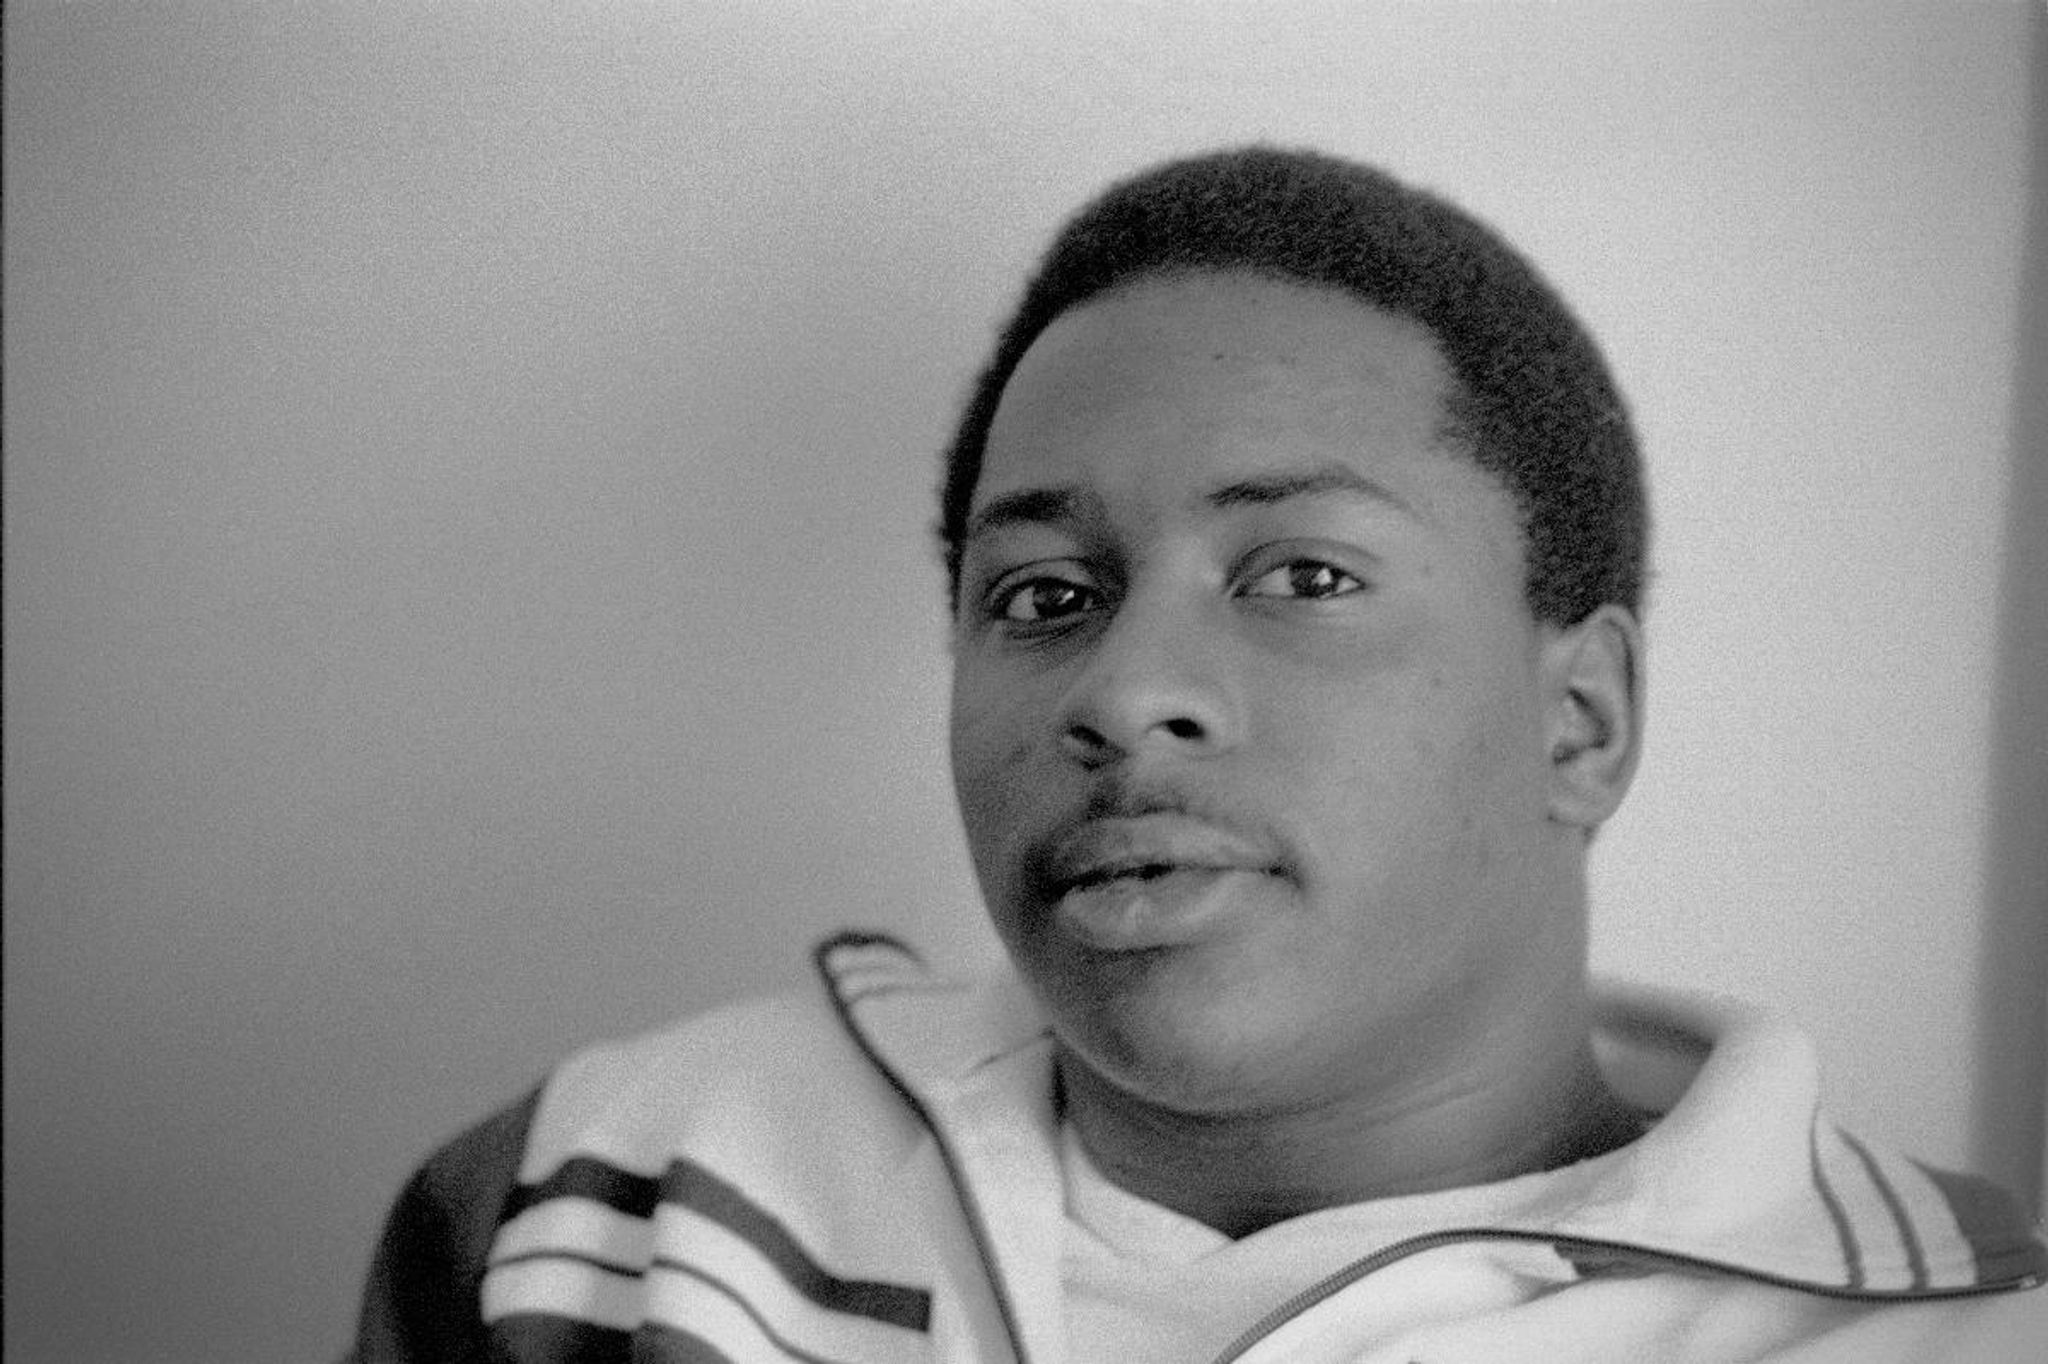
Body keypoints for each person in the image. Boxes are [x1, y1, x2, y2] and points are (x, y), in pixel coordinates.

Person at [350, 147, 2046, 1363]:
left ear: (1582, 720)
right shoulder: (599, 1212)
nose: (1124, 690)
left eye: (1300, 576)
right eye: (1044, 595)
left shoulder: (1963, 1330)